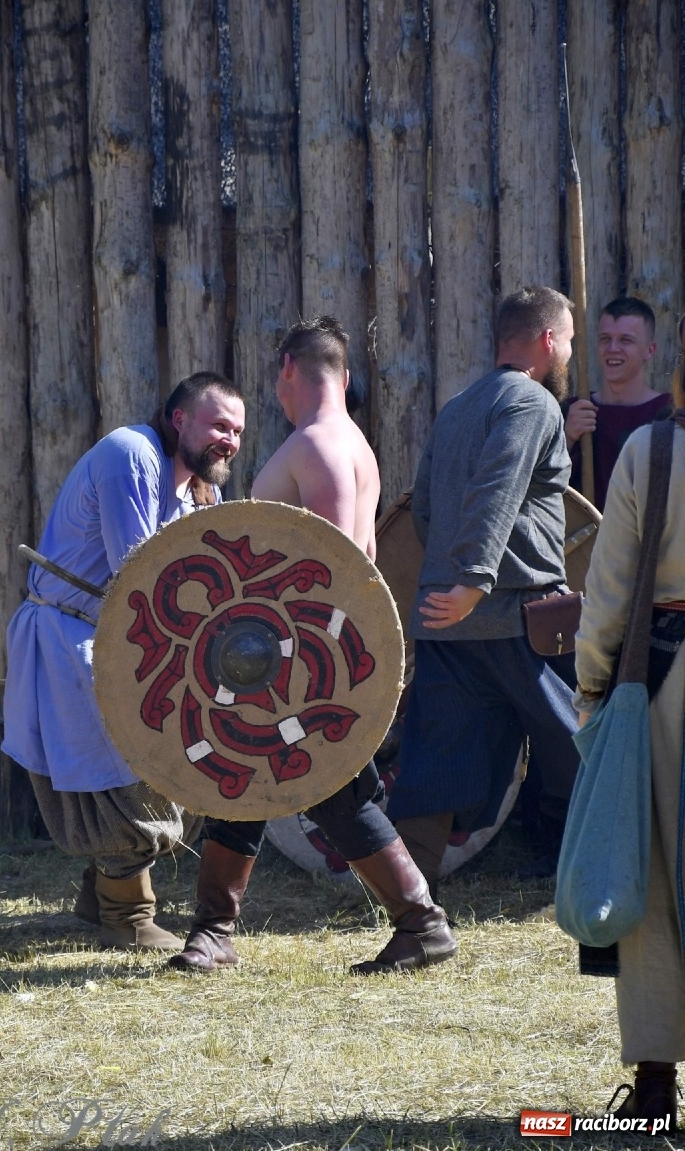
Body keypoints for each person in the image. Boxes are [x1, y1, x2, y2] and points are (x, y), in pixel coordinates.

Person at [168, 316, 457, 975]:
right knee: (285, 784)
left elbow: (325, 568)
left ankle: (218, 932)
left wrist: (289, 658)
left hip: (297, 654)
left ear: (287, 371)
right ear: (346, 376)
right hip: (309, 652)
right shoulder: (356, 447)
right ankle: (415, 924)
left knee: (274, 781)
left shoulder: (315, 447)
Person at [1, 374, 246, 951]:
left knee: (155, 766)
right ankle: (127, 914)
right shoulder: (131, 452)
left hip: (123, 640)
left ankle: (97, 894)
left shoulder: (198, 490)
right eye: (217, 425)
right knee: (128, 779)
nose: (228, 440)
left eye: (236, 431)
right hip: (77, 641)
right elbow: (148, 578)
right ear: (178, 418)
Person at [386, 286, 582, 896]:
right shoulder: (533, 404)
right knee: (580, 746)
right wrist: (473, 580)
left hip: (448, 622)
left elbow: (422, 512)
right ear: (548, 341)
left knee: (434, 761)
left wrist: (451, 577)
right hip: (518, 617)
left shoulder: (459, 406)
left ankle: (415, 909)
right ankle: (604, 872)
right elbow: (498, 488)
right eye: (570, 339)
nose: (570, 350)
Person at [573, 348, 685, 1126]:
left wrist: (590, 694)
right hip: (666, 677)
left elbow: (609, 592)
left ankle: (655, 1086)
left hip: (663, 689)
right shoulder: (652, 446)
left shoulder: (655, 449)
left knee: (650, 877)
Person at [564, 296, 671, 512]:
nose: (612, 348)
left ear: (650, 350)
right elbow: (541, 485)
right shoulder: (575, 410)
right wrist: (567, 438)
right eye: (605, 339)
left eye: (626, 340)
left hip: (648, 541)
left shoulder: (668, 414)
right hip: (585, 542)